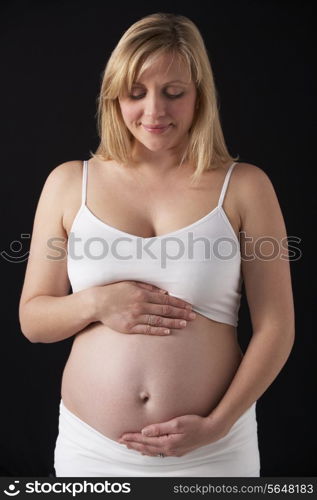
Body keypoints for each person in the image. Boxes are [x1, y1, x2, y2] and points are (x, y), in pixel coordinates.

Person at [19, 12, 295, 477]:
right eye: (136, 93)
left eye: (174, 93)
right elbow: (33, 320)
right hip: (91, 452)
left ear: (199, 95)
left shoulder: (245, 187)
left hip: (214, 450)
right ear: (114, 96)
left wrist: (217, 424)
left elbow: (276, 327)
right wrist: (97, 303)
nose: (154, 112)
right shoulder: (69, 184)